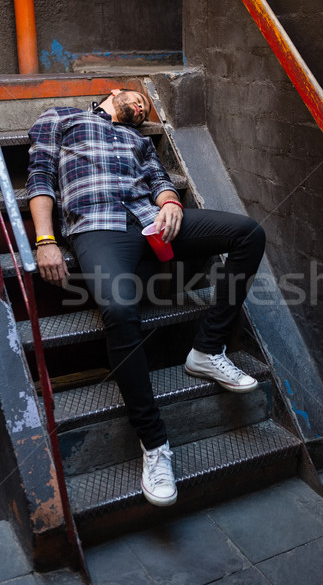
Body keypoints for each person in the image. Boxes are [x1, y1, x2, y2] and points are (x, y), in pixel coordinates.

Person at [26, 88, 266, 507]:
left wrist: (171, 201)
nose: (141, 108)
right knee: (120, 309)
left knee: (248, 232)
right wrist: (45, 239)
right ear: (115, 93)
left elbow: (157, 179)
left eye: (146, 110)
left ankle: (207, 350)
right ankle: (155, 445)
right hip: (98, 225)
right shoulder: (61, 118)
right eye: (138, 100)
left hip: (151, 219)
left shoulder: (138, 140)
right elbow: (41, 176)